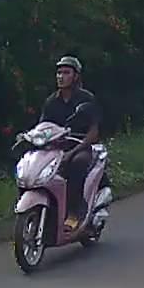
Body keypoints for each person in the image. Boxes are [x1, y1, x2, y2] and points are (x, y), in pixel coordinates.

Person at [39, 56, 101, 227]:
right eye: (59, 73)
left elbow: (94, 132)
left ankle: (75, 211)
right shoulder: (51, 101)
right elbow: (42, 127)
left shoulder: (86, 98)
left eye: (66, 73)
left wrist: (73, 151)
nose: (61, 76)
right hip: (56, 148)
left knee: (76, 164)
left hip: (80, 146)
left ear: (75, 76)